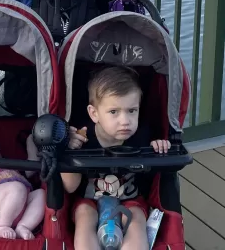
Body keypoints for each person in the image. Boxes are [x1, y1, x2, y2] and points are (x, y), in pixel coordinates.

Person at [63, 66, 170, 250]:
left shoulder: (143, 136)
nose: (125, 121)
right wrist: (68, 150)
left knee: (136, 219)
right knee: (84, 215)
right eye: (114, 112)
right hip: (90, 200)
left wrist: (159, 147)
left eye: (132, 111)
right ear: (94, 113)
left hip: (130, 199)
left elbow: (152, 173)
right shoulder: (82, 136)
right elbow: (70, 187)